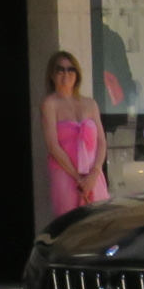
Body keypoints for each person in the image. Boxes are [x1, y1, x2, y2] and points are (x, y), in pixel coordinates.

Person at [41, 50, 108, 214]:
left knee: (99, 223)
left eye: (70, 69)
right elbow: (53, 145)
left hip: (93, 175)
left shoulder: (90, 104)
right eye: (60, 69)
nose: (66, 74)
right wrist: (78, 178)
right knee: (70, 225)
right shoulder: (50, 104)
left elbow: (101, 141)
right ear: (52, 73)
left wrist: (94, 173)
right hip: (66, 174)